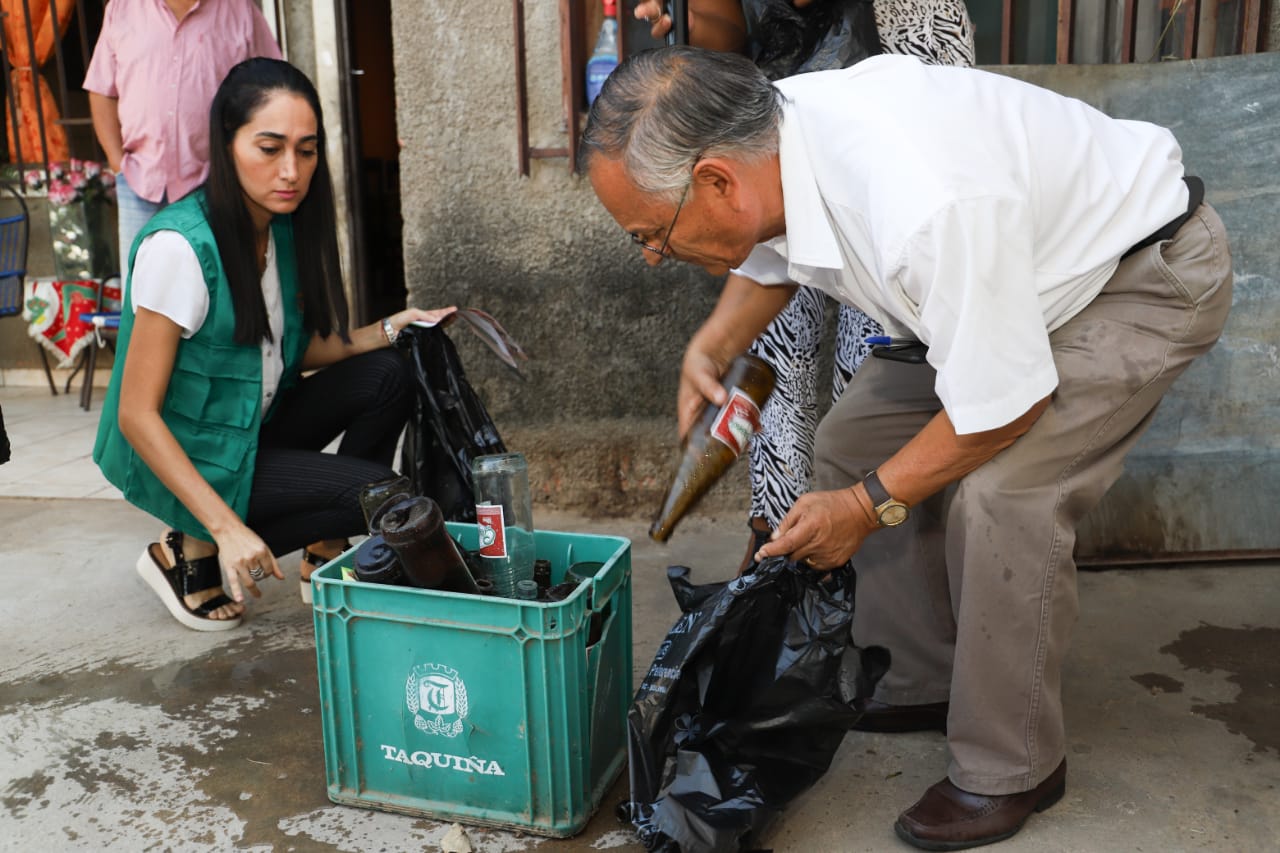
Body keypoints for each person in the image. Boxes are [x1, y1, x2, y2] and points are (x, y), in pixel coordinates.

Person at [580, 47, 1231, 849]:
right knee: (853, 439)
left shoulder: (921, 200)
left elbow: (1003, 405)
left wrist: (866, 507)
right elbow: (773, 245)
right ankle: (922, 677)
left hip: (1135, 276)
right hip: (1012, 282)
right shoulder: (770, 134)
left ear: (716, 180)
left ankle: (1012, 763)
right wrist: (714, 343)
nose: (651, 255)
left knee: (1005, 495)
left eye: (652, 233)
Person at [93, 58, 456, 632]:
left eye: (306, 150)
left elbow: (297, 352)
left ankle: (321, 548)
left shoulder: (279, 228)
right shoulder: (179, 250)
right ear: (227, 143)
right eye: (269, 148)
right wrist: (225, 528)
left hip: (247, 430)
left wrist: (393, 327)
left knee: (390, 373)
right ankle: (188, 548)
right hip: (198, 456)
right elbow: (136, 415)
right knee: (375, 494)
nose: (291, 170)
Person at [634, 0, 974, 571]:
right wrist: (693, 19)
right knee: (771, 337)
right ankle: (778, 531)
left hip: (896, 49)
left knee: (877, 347)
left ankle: (864, 534)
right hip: (781, 80)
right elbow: (727, 42)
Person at [84, 0, 282, 281]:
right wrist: (118, 164)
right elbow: (102, 89)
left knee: (216, 290)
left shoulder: (239, 10)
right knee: (143, 292)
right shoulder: (123, 7)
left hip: (216, 184)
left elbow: (273, 90)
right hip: (140, 182)